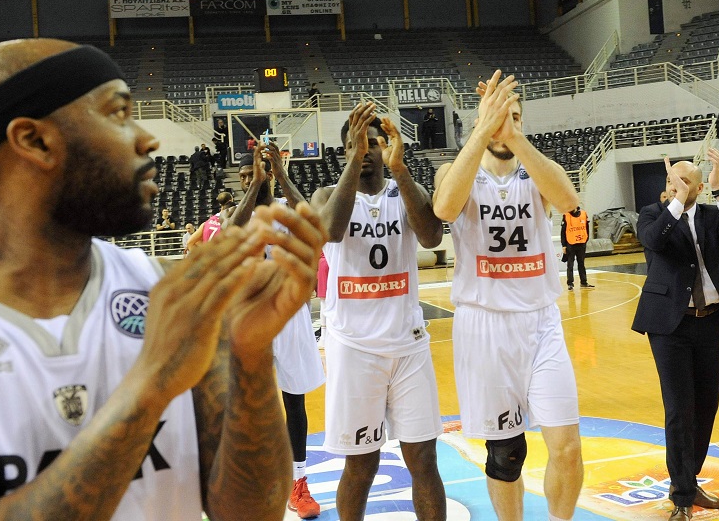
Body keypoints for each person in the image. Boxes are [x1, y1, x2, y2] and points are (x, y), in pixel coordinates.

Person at [0, 38, 327, 520]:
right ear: (34, 140)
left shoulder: (161, 289)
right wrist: (148, 389)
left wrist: (251, 356)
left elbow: (250, 511)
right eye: (118, 113)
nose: (147, 139)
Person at [432, 70, 584, 521]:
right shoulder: (456, 171)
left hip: (541, 321)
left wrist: (513, 136)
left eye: (514, 116)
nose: (505, 123)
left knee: (567, 447)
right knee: (506, 453)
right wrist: (484, 129)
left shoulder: (536, 170)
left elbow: (569, 200)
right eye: (497, 116)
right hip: (485, 325)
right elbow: (444, 208)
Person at [312, 102, 447, 521]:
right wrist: (353, 163)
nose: (367, 150)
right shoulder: (326, 196)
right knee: (362, 464)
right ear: (345, 151)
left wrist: (401, 170)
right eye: (357, 144)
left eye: (373, 143)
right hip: (354, 347)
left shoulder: (404, 190)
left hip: (408, 345)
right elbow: (330, 230)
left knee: (424, 459)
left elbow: (432, 237)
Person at [632, 148, 719, 520]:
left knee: (706, 406)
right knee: (680, 410)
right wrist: (677, 203)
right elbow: (654, 241)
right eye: (670, 181)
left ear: (698, 187)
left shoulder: (711, 214)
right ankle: (682, 496)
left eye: (683, 183)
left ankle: (690, 481)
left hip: (710, 321)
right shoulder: (653, 215)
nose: (674, 187)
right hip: (670, 326)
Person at [228, 144, 324, 519]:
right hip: (249, 316)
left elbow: (314, 220)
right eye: (243, 177)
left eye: (253, 174)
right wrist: (255, 184)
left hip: (289, 313)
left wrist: (280, 174)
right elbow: (232, 233)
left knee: (294, 401)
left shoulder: (286, 209)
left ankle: (298, 483)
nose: (248, 180)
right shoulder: (235, 214)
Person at [560, 206, 592, 290]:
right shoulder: (566, 216)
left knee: (581, 263)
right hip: (570, 244)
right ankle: (570, 283)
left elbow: (587, 228)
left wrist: (586, 239)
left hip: (581, 243)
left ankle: (584, 282)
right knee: (570, 265)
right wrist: (564, 245)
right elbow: (563, 232)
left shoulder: (584, 214)